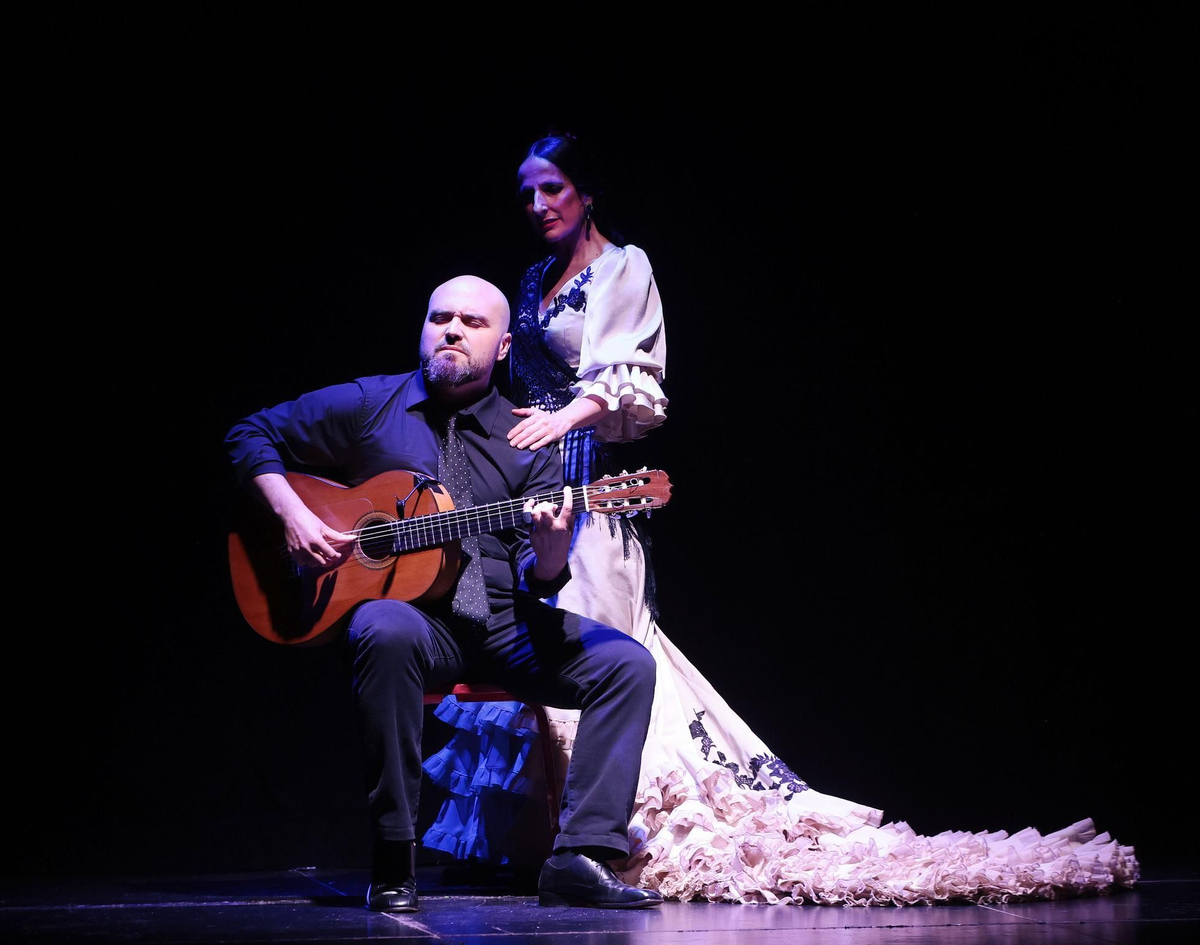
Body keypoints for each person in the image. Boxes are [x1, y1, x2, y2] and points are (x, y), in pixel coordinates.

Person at [418, 135, 1139, 904]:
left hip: (591, 490)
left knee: (596, 650)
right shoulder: (528, 281)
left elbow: (629, 380)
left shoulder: (624, 267)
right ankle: (536, 840)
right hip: (519, 492)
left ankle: (610, 836)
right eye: (527, 193)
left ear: (586, 191)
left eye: (553, 189)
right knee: (526, 651)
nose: (539, 206)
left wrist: (562, 422)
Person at [225, 275, 664, 913]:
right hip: (415, 625)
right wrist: (291, 512)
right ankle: (394, 854)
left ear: (506, 345)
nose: (452, 330)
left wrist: (547, 559)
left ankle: (582, 855)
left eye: (473, 323)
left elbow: (535, 578)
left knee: (626, 665)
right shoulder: (369, 404)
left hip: (503, 624)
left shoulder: (528, 437)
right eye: (440, 318)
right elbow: (249, 434)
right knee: (383, 624)